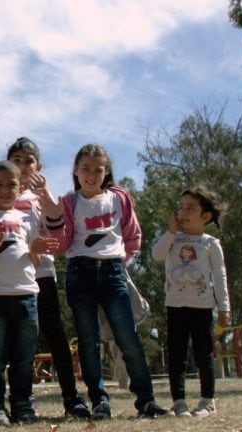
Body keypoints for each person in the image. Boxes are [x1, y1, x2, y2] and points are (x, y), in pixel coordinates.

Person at [45, 143, 169, 419]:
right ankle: (100, 401)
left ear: (106, 171)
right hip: (81, 273)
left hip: (113, 272)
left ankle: (146, 401)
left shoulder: (118, 198)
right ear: (75, 170)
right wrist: (52, 219)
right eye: (85, 169)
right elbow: (64, 243)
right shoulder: (69, 202)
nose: (91, 174)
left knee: (128, 337)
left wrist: (121, 262)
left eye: (98, 170)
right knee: (88, 341)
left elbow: (132, 235)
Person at [6, 137, 91, 418]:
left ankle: (72, 398)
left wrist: (45, 196)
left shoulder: (42, 199)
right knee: (18, 342)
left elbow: (57, 232)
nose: (22, 166)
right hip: (8, 279)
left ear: (38, 166)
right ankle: (22, 400)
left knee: (55, 336)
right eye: (15, 160)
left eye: (28, 161)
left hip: (41, 275)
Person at [0, 160, 59, 425]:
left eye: (11, 184)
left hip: (26, 296)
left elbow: (34, 260)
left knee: (24, 359)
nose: (4, 190)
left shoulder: (26, 219)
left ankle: (23, 404)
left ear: (19, 186)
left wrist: (35, 248)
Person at [151, 185, 230, 418]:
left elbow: (220, 274)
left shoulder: (210, 244)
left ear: (205, 217)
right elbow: (156, 255)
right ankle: (179, 402)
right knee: (176, 354)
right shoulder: (173, 239)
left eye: (190, 209)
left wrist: (225, 306)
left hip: (203, 307)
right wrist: (169, 234)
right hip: (175, 305)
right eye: (181, 207)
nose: (182, 213)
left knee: (203, 354)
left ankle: (207, 401)